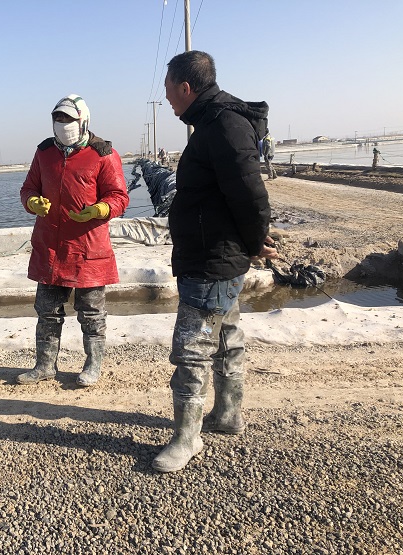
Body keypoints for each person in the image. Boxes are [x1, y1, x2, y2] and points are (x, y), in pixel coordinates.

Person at [153, 51, 278, 473]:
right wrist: (251, 241)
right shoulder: (212, 123)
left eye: (168, 89)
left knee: (192, 350)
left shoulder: (223, 125)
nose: (166, 97)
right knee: (226, 338)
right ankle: (227, 414)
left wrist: (255, 241)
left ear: (185, 87)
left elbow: (250, 193)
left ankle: (187, 438)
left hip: (212, 261)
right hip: (215, 256)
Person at [17, 94, 129, 387]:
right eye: (58, 118)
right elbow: (28, 188)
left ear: (84, 121)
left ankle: (92, 365)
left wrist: (100, 209)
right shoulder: (44, 153)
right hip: (51, 248)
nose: (62, 124)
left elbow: (119, 197)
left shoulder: (103, 154)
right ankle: (45, 365)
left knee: (92, 313)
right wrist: (32, 202)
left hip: (88, 248)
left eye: (68, 119)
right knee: (47, 312)